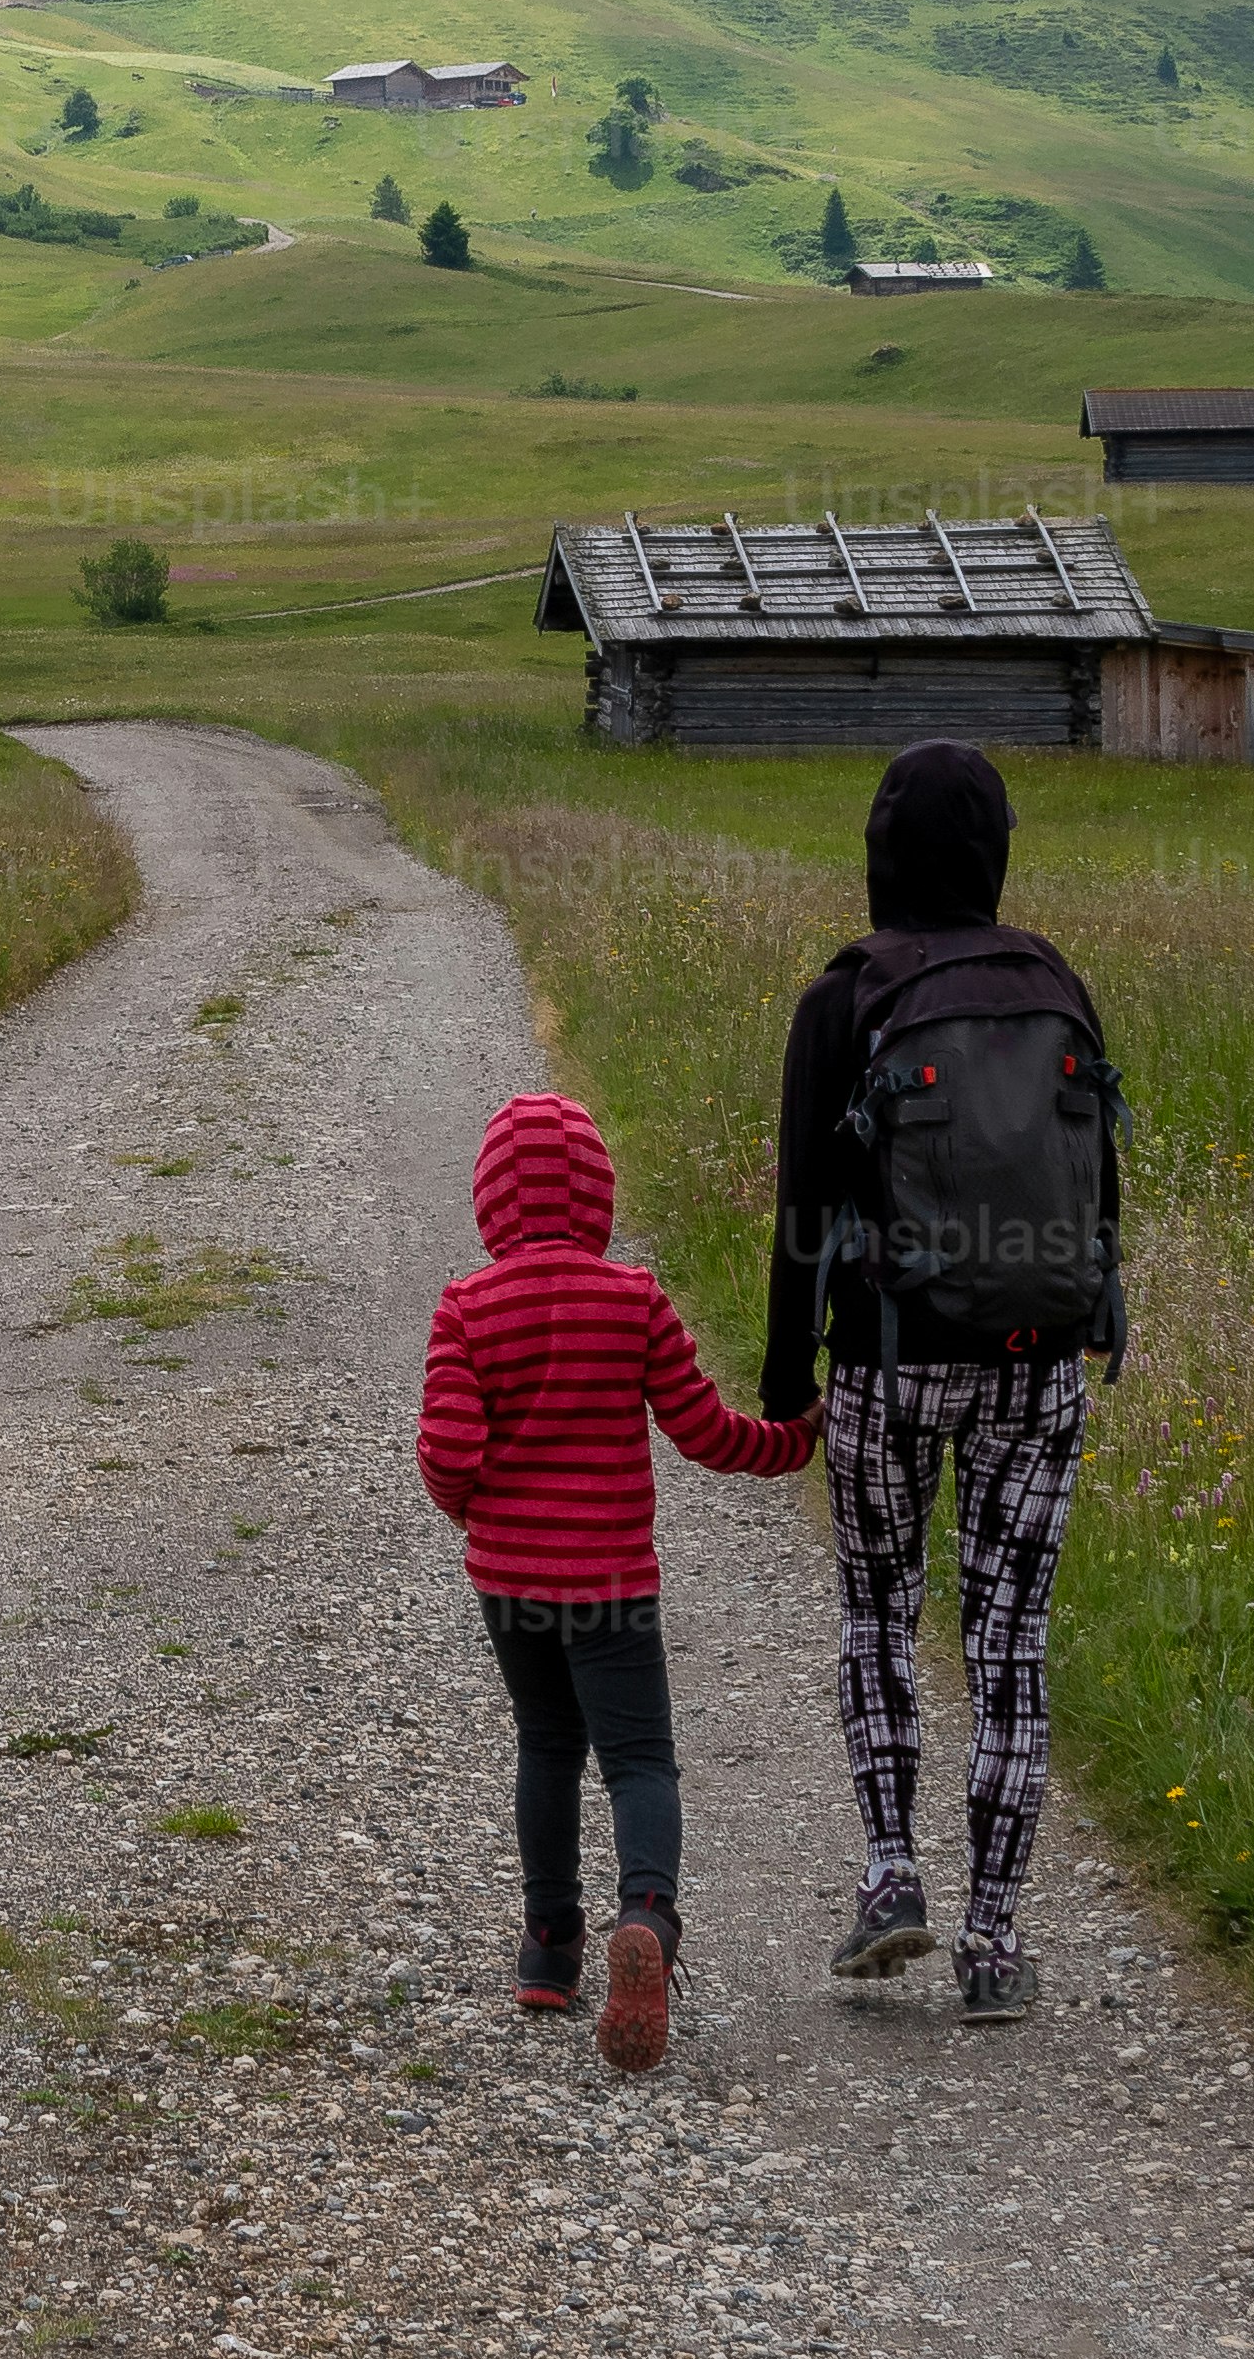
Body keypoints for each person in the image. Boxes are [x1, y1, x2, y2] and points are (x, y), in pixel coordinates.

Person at [762, 740, 1115, 2023]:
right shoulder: (1053, 981)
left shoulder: (841, 997)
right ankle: (995, 1942)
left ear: (881, 846)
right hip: (1038, 1367)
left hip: (886, 1367)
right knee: (1007, 1642)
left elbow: (803, 1211)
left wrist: (784, 1378)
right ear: (996, 848)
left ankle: (892, 1875)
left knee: (879, 1617)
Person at [414, 1088, 822, 2073]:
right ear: (597, 1195)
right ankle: (646, 1917)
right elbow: (704, 1433)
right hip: (610, 1585)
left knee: (546, 1746)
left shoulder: (467, 1308)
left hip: (510, 1581)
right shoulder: (631, 1299)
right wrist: (794, 1442)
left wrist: (474, 1512)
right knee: (638, 1762)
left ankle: (548, 1947)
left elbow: (447, 1448)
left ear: (489, 1201)